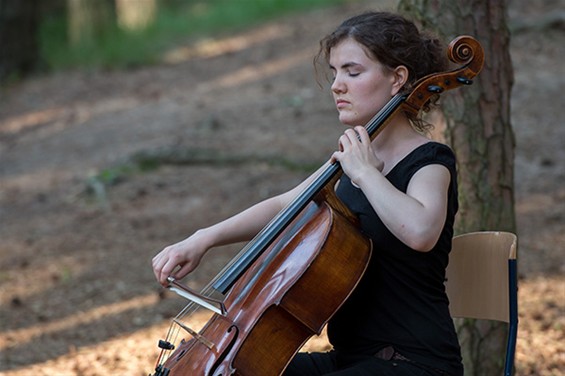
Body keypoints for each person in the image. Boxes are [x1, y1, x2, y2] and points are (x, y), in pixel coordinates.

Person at [152, 11, 463, 376]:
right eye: (334, 73)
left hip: (414, 363)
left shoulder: (429, 161)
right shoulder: (350, 160)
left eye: (352, 71)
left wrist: (364, 173)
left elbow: (421, 232)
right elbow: (288, 204)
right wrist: (203, 239)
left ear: (397, 79)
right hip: (349, 360)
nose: (336, 85)